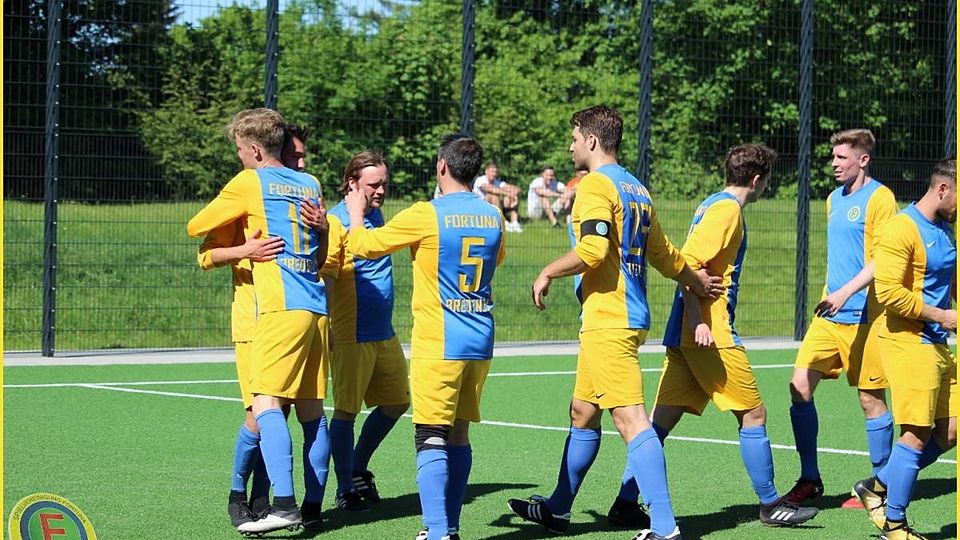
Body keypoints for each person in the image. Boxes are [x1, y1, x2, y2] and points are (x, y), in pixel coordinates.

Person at [507, 105, 722, 540]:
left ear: (591, 140)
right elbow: (663, 254)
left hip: (611, 318)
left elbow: (593, 251)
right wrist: (695, 279)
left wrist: (547, 271)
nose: (570, 146)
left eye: (573, 138)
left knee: (631, 420)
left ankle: (664, 527)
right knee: (583, 413)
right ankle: (558, 509)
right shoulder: (635, 188)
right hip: (617, 316)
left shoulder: (595, 185)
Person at [647, 143, 818, 527]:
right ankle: (771, 504)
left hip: (686, 335)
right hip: (711, 334)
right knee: (753, 414)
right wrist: (699, 321)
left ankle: (626, 500)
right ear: (756, 180)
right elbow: (687, 265)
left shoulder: (711, 203)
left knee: (658, 425)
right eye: (766, 182)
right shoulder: (727, 210)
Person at [344, 134, 504, 540]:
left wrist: (355, 213)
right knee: (460, 433)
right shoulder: (493, 215)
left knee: (430, 434)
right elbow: (495, 259)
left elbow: (365, 246)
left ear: (441, 166)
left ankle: (436, 531)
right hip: (480, 336)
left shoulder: (426, 213)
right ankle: (450, 527)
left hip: (441, 339)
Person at [187, 108, 331, 535]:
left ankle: (283, 505)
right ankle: (307, 506)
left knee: (264, 405)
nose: (238, 157)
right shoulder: (310, 183)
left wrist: (247, 243)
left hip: (278, 308)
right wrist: (242, 250)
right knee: (311, 412)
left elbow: (196, 226)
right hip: (315, 306)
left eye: (238, 150)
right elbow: (320, 255)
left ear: (253, 149)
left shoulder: (249, 182)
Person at [784, 129, 899, 507]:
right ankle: (810, 479)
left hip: (866, 316)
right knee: (799, 386)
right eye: (833, 157)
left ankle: (881, 485)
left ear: (863, 160)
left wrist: (846, 292)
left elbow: (883, 259)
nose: (834, 164)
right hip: (828, 315)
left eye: (841, 158)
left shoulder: (881, 198)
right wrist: (833, 295)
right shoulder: (833, 199)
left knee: (870, 401)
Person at [851, 158, 957, 540]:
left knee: (950, 431)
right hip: (908, 342)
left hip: (938, 344)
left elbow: (950, 283)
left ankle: (876, 485)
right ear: (943, 189)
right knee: (915, 434)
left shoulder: (945, 229)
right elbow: (889, 293)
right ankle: (894, 524)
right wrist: (942, 316)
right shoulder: (901, 228)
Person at [321, 151, 410, 512]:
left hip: (383, 332)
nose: (381, 191)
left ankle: (358, 467)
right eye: (374, 184)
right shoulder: (336, 220)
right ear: (352, 183)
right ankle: (345, 489)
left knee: (397, 402)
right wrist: (325, 323)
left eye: (385, 183)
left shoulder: (374, 214)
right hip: (351, 333)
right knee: (346, 412)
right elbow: (327, 275)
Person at [473, 161, 523, 232]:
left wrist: (514, 195)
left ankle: (514, 222)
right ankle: (503, 222)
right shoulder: (480, 180)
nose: (494, 174)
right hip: (480, 209)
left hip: (494, 207)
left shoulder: (497, 182)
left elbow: (516, 189)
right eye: (492, 171)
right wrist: (509, 194)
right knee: (493, 195)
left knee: (513, 196)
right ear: (486, 171)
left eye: (495, 172)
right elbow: (491, 189)